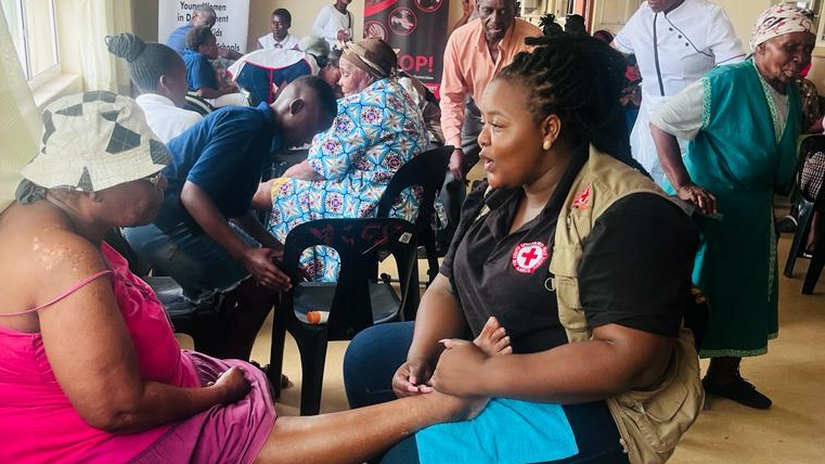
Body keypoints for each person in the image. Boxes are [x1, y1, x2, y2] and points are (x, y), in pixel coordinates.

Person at [0, 91, 488, 464]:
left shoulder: (43, 218)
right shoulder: (64, 259)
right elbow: (118, 410)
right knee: (263, 424)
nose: (160, 182)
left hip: (125, 405)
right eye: (146, 177)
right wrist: (212, 396)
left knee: (264, 407)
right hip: (106, 442)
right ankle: (437, 408)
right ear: (89, 189)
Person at [344, 34, 702, 464]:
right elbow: (446, 285)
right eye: (484, 123)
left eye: (498, 125)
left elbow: (630, 360)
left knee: (404, 459)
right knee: (368, 359)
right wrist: (420, 359)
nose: (482, 141)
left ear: (549, 129)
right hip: (494, 356)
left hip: (589, 403)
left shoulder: (629, 213)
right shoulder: (497, 191)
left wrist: (487, 374)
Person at [650, 3, 815, 410]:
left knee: (746, 294)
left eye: (808, 50)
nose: (800, 58)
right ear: (760, 45)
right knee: (698, 294)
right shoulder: (727, 81)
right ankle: (669, 383)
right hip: (714, 210)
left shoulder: (788, 90)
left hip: (754, 212)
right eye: (790, 47)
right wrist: (682, 183)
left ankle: (725, 376)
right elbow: (662, 120)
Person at [124, 77, 336, 361]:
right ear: (295, 107)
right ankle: (230, 369)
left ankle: (230, 365)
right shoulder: (245, 125)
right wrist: (248, 255)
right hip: (158, 225)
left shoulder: (261, 133)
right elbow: (193, 194)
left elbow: (236, 208)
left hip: (177, 222)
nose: (308, 140)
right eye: (311, 129)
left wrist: (282, 250)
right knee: (263, 283)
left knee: (275, 269)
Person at [252, 39, 429, 282]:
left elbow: (318, 167)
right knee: (274, 189)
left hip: (374, 209)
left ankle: (297, 279)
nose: (340, 81)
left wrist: (280, 180)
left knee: (279, 192)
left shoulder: (364, 105)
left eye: (346, 74)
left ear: (367, 75)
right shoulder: (401, 95)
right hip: (408, 207)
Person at [438, 0, 541, 252]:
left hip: (517, 118)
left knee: (517, 178)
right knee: (451, 173)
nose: (495, 20)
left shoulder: (532, 39)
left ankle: (506, 243)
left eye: (503, 11)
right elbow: (451, 98)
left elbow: (539, 97)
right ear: (476, 8)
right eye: (488, 11)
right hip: (476, 111)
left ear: (514, 9)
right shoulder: (460, 40)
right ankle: (450, 242)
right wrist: (454, 146)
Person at [613, 0, 745, 186]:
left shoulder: (709, 15)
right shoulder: (642, 15)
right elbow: (614, 51)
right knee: (642, 184)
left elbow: (735, 71)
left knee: (683, 188)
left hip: (689, 120)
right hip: (647, 119)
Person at [106, 33, 202, 143]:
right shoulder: (190, 122)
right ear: (165, 82)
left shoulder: (121, 121)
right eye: (184, 78)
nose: (187, 85)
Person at [228, 37, 339, 106]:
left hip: (252, 68)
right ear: (328, 66)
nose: (339, 82)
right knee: (267, 111)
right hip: (252, 69)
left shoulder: (313, 69)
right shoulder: (307, 66)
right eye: (338, 77)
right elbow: (281, 96)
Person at [183, 26, 239, 102]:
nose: (217, 48)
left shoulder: (188, 57)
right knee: (243, 100)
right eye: (214, 44)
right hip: (205, 102)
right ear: (203, 48)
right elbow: (202, 93)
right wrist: (227, 92)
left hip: (195, 102)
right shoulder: (198, 61)